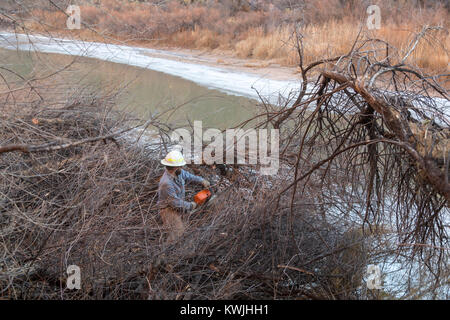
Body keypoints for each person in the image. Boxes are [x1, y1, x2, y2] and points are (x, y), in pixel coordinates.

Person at [157, 150, 210, 243]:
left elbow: (189, 176)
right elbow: (175, 203)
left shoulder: (179, 172)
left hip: (179, 206)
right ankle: (165, 254)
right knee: (177, 233)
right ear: (174, 167)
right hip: (168, 209)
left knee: (185, 228)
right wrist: (191, 205)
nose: (181, 167)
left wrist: (202, 181)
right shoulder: (166, 183)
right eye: (180, 166)